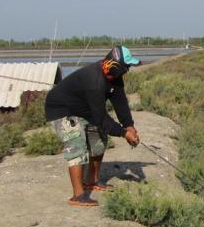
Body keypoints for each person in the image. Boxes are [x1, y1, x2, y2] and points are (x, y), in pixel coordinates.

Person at [44, 45, 142, 207]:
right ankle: (78, 195)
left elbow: (120, 101)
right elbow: (100, 117)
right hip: (62, 109)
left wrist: (129, 125)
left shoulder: (114, 77)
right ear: (115, 65)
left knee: (100, 137)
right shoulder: (94, 81)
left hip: (84, 108)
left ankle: (92, 180)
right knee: (77, 144)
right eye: (126, 66)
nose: (128, 69)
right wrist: (123, 133)